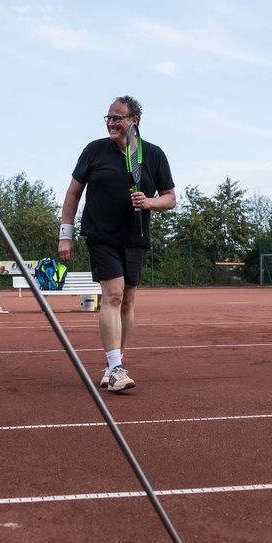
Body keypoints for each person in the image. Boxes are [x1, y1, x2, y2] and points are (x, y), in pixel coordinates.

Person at [58, 96, 175, 392]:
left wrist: (149, 202)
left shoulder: (154, 155)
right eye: (108, 118)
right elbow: (73, 194)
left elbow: (170, 198)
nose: (111, 122)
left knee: (128, 300)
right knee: (113, 294)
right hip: (100, 235)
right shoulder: (94, 150)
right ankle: (115, 368)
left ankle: (114, 364)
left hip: (135, 237)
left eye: (117, 118)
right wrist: (65, 234)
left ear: (133, 120)